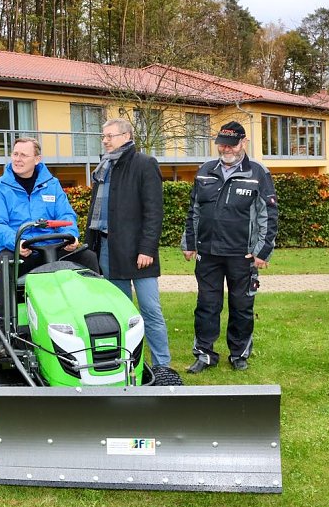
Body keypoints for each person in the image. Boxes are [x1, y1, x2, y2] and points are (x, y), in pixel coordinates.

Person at [181, 120, 279, 373]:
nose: (226, 149)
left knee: (242, 307)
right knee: (206, 305)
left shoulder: (258, 172)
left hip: (242, 255)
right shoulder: (205, 171)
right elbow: (194, 210)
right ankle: (204, 354)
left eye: (231, 145)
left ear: (243, 143)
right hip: (208, 253)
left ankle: (239, 354)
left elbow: (269, 214)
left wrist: (262, 251)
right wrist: (190, 243)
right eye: (222, 144)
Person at [85, 118, 173, 373]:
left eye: (109, 136)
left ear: (126, 136)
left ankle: (162, 365)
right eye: (103, 136)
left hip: (138, 253)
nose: (105, 140)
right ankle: (128, 364)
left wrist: (147, 249)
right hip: (107, 250)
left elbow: (154, 212)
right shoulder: (104, 167)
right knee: (121, 314)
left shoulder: (145, 164)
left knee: (150, 310)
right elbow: (96, 213)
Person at [0, 137, 99, 318]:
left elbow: (66, 216)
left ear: (37, 159)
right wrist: (17, 243)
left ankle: (92, 315)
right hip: (18, 249)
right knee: (4, 264)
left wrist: (70, 235)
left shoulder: (52, 185)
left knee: (88, 258)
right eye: (15, 154)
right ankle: (5, 329)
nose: (17, 159)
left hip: (52, 247)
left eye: (24, 155)